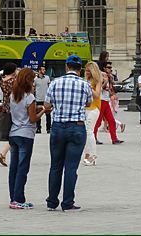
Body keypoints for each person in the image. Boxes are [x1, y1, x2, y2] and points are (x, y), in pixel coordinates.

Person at [44, 54, 92, 212]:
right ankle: (67, 202)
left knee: (55, 166)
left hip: (58, 127)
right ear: (80, 69)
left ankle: (52, 202)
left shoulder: (55, 82)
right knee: (71, 168)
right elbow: (89, 103)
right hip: (76, 127)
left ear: (66, 67)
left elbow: (46, 105)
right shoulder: (84, 84)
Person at [7, 68, 45, 209]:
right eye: (33, 79)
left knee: (14, 168)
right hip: (26, 134)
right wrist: (43, 111)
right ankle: (19, 199)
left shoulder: (13, 95)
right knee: (23, 168)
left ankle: (13, 198)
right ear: (28, 80)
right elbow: (33, 119)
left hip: (13, 133)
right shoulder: (29, 97)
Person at [94, 62, 123, 145]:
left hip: (106, 101)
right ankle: (94, 138)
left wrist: (111, 82)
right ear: (104, 68)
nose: (110, 69)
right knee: (98, 121)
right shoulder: (101, 75)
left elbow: (110, 90)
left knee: (111, 121)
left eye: (111, 67)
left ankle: (114, 139)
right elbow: (100, 88)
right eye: (108, 67)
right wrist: (105, 81)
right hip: (101, 100)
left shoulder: (109, 77)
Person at [0, 63, 17, 167]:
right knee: (14, 133)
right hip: (13, 109)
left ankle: (5, 154)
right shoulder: (13, 81)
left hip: (5, 109)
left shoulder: (2, 80)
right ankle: (3, 154)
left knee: (12, 133)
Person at [82, 62, 102, 166]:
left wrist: (89, 87)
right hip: (85, 107)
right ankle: (87, 154)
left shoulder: (96, 81)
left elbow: (97, 95)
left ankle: (93, 155)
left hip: (94, 108)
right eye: (86, 70)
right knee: (85, 132)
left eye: (89, 70)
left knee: (89, 130)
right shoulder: (85, 80)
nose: (87, 72)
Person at [34, 66, 51, 134]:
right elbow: (34, 88)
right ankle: (38, 128)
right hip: (38, 99)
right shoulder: (35, 79)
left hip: (46, 99)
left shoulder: (47, 78)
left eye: (45, 69)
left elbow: (49, 87)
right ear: (39, 71)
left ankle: (48, 128)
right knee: (38, 115)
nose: (44, 70)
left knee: (48, 114)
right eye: (43, 69)